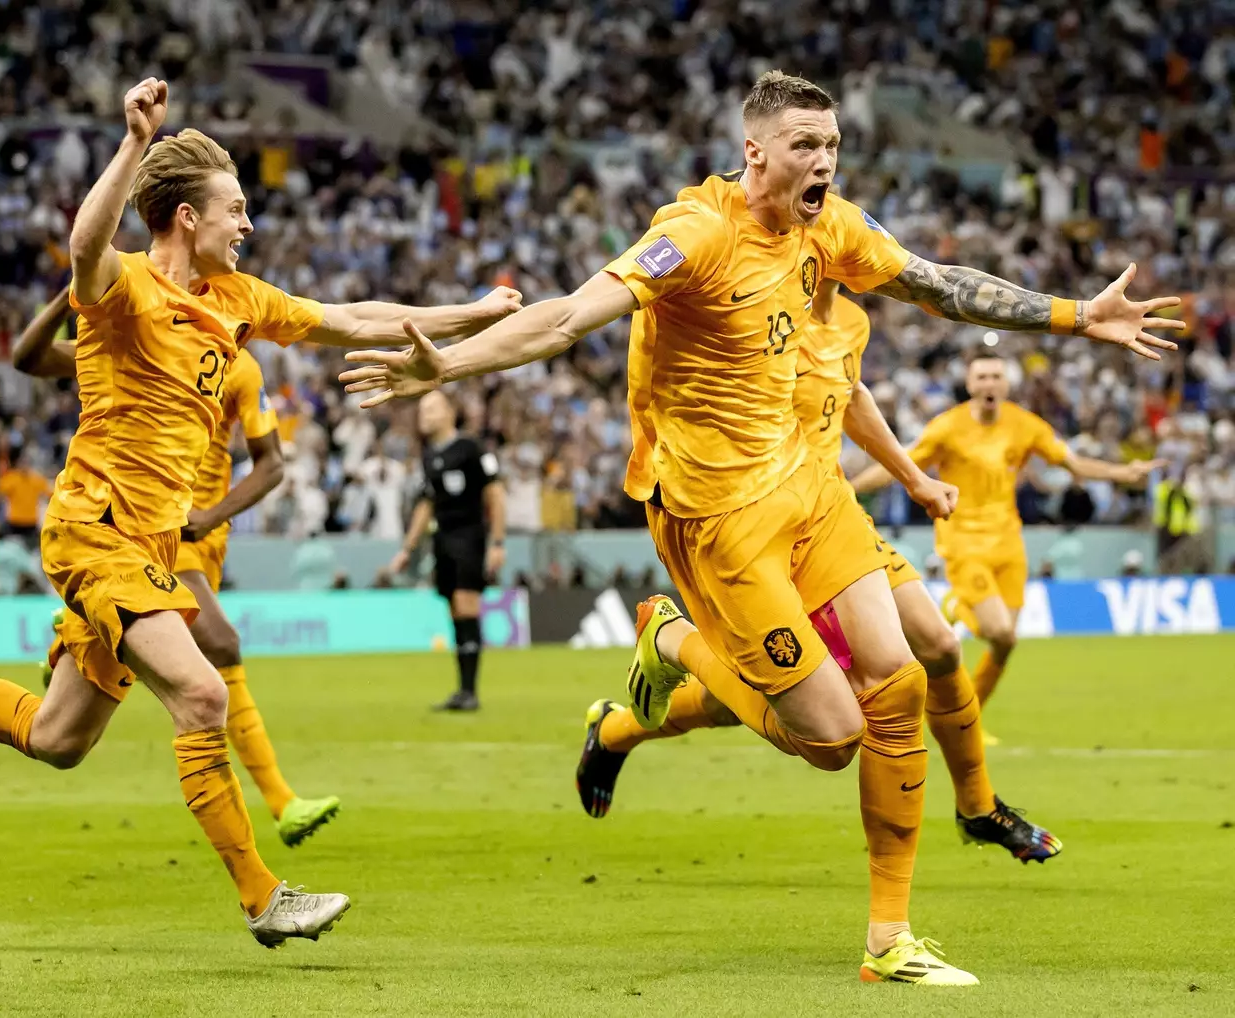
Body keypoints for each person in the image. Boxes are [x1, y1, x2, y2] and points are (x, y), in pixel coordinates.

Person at [340, 70, 1181, 983]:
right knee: (828, 737)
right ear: (756, 152)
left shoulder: (835, 230)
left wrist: (1073, 315)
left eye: (832, 146)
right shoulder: (695, 237)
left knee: (897, 680)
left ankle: (888, 942)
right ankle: (675, 639)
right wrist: (449, 366)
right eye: (805, 147)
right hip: (718, 520)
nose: (824, 163)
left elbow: (942, 286)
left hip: (810, 495)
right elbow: (571, 316)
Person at [0, 78, 522, 948]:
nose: (248, 224)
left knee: (57, 738)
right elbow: (85, 245)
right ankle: (264, 899)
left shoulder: (236, 301)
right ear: (187, 218)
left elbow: (350, 318)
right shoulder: (122, 292)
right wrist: (130, 144)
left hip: (150, 546)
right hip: (95, 530)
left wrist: (469, 315)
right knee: (200, 692)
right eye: (235, 209)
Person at [575, 281, 1062, 864]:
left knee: (938, 646)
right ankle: (619, 727)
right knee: (756, 707)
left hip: (835, 518)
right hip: (772, 529)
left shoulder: (852, 320)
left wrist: (914, 478)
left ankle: (979, 807)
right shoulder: (759, 313)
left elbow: (851, 395)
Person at [13, 293, 343, 848]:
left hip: (198, 536)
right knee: (222, 645)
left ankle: (78, 634)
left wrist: (211, 516)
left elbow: (272, 467)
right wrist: (68, 292)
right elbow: (30, 357)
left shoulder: (240, 366)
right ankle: (282, 803)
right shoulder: (138, 339)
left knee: (72, 729)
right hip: (145, 527)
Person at [851, 355, 1162, 714]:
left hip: (1009, 542)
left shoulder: (1025, 425)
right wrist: (852, 487)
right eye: (981, 376)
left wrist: (1123, 474)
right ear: (969, 385)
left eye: (996, 376)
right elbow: (899, 464)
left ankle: (970, 717)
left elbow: (1073, 463)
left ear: (1006, 384)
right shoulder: (946, 428)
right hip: (964, 540)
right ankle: (953, 606)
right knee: (997, 629)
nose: (989, 383)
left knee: (1006, 643)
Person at [388, 391, 506, 711]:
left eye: (431, 409)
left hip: (470, 537)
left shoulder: (470, 448)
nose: (424, 415)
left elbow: (495, 494)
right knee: (454, 609)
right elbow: (426, 504)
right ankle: (463, 690)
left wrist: (497, 542)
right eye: (422, 410)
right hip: (442, 540)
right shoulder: (429, 455)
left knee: (467, 604)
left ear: (449, 413)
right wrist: (407, 549)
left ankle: (470, 691)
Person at [0, 444, 51, 549]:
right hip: (14, 521)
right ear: (18, 464)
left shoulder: (37, 480)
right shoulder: (11, 478)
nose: (24, 465)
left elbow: (50, 494)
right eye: (22, 462)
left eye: (26, 463)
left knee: (34, 548)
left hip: (30, 522)